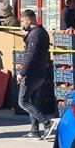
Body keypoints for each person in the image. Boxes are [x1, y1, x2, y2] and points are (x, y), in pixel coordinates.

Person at [17, 9, 52, 139]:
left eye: (23, 21)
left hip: (32, 74)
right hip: (40, 72)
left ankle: (47, 122)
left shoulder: (35, 35)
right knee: (32, 100)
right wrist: (25, 36)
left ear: (28, 19)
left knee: (23, 101)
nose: (22, 24)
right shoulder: (41, 32)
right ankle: (34, 131)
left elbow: (30, 55)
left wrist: (22, 73)